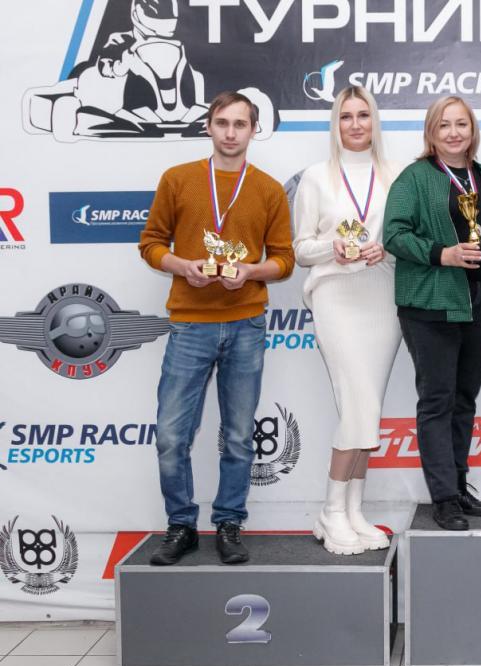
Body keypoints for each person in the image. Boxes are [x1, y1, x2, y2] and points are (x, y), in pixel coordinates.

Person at [139, 91, 294, 565]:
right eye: (222, 123)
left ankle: (229, 522)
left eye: (240, 124)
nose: (230, 132)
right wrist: (182, 266)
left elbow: (284, 260)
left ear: (253, 130)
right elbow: (150, 243)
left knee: (239, 436)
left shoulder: (268, 189)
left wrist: (250, 272)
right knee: (171, 435)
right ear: (208, 126)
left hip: (246, 323)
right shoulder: (178, 179)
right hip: (190, 324)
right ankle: (181, 525)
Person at [383, 96, 481, 530]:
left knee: (463, 400)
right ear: (431, 132)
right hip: (432, 305)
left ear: (472, 130)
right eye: (444, 125)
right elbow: (394, 234)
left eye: (462, 124)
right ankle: (442, 498)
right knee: (438, 401)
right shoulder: (415, 177)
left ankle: (458, 487)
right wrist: (442, 254)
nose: (454, 132)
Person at [293, 86, 400, 555]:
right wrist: (331, 248)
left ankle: (353, 509)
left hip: (383, 296)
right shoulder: (316, 177)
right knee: (357, 405)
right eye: (345, 116)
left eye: (363, 115)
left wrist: (386, 249)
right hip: (336, 294)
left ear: (375, 121)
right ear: (335, 124)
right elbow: (301, 249)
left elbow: (407, 238)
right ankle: (331, 510)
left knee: (366, 408)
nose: (355, 124)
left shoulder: (397, 175)